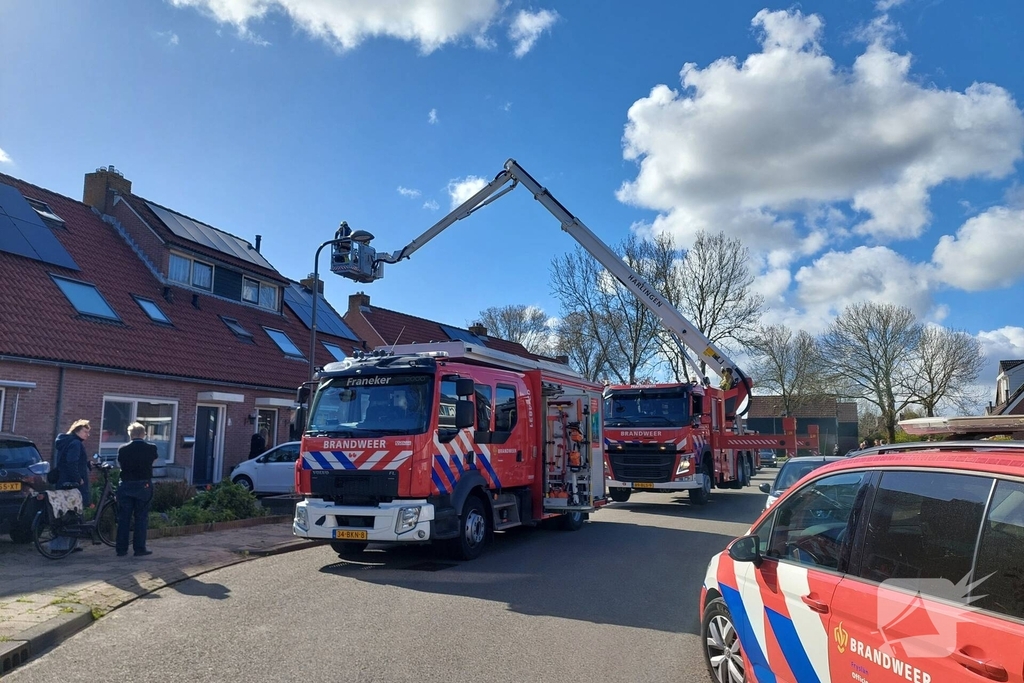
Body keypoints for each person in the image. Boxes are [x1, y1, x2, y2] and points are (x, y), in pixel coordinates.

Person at [116, 422, 158, 557]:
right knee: (141, 517)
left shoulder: (122, 449)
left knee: (124, 518)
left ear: (130, 434)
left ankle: (121, 549)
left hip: (126, 484)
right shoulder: (151, 448)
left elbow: (120, 464)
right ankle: (139, 549)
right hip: (143, 485)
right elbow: (153, 462)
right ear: (143, 434)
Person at [52, 419, 92, 552]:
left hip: (62, 481)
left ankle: (72, 545)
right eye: (85, 431)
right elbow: (71, 462)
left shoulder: (66, 442)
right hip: (71, 484)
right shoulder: (75, 443)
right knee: (69, 514)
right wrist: (78, 478)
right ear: (77, 431)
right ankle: (62, 546)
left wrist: (87, 464)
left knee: (68, 513)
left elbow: (69, 461)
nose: (87, 435)